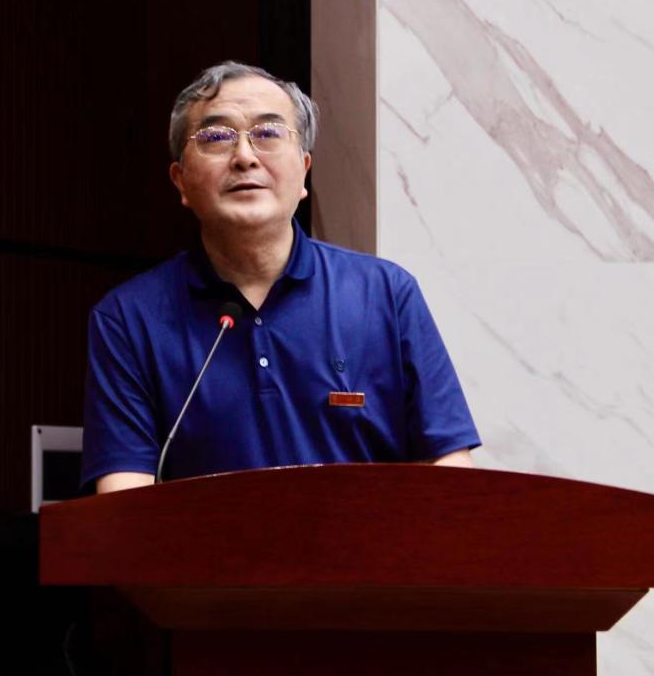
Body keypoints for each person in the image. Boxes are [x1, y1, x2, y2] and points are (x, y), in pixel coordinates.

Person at [81, 62, 480, 493]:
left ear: (304, 171)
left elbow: (449, 467)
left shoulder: (385, 295)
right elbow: (124, 493)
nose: (245, 157)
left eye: (268, 133)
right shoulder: (128, 318)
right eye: (216, 137)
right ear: (181, 181)